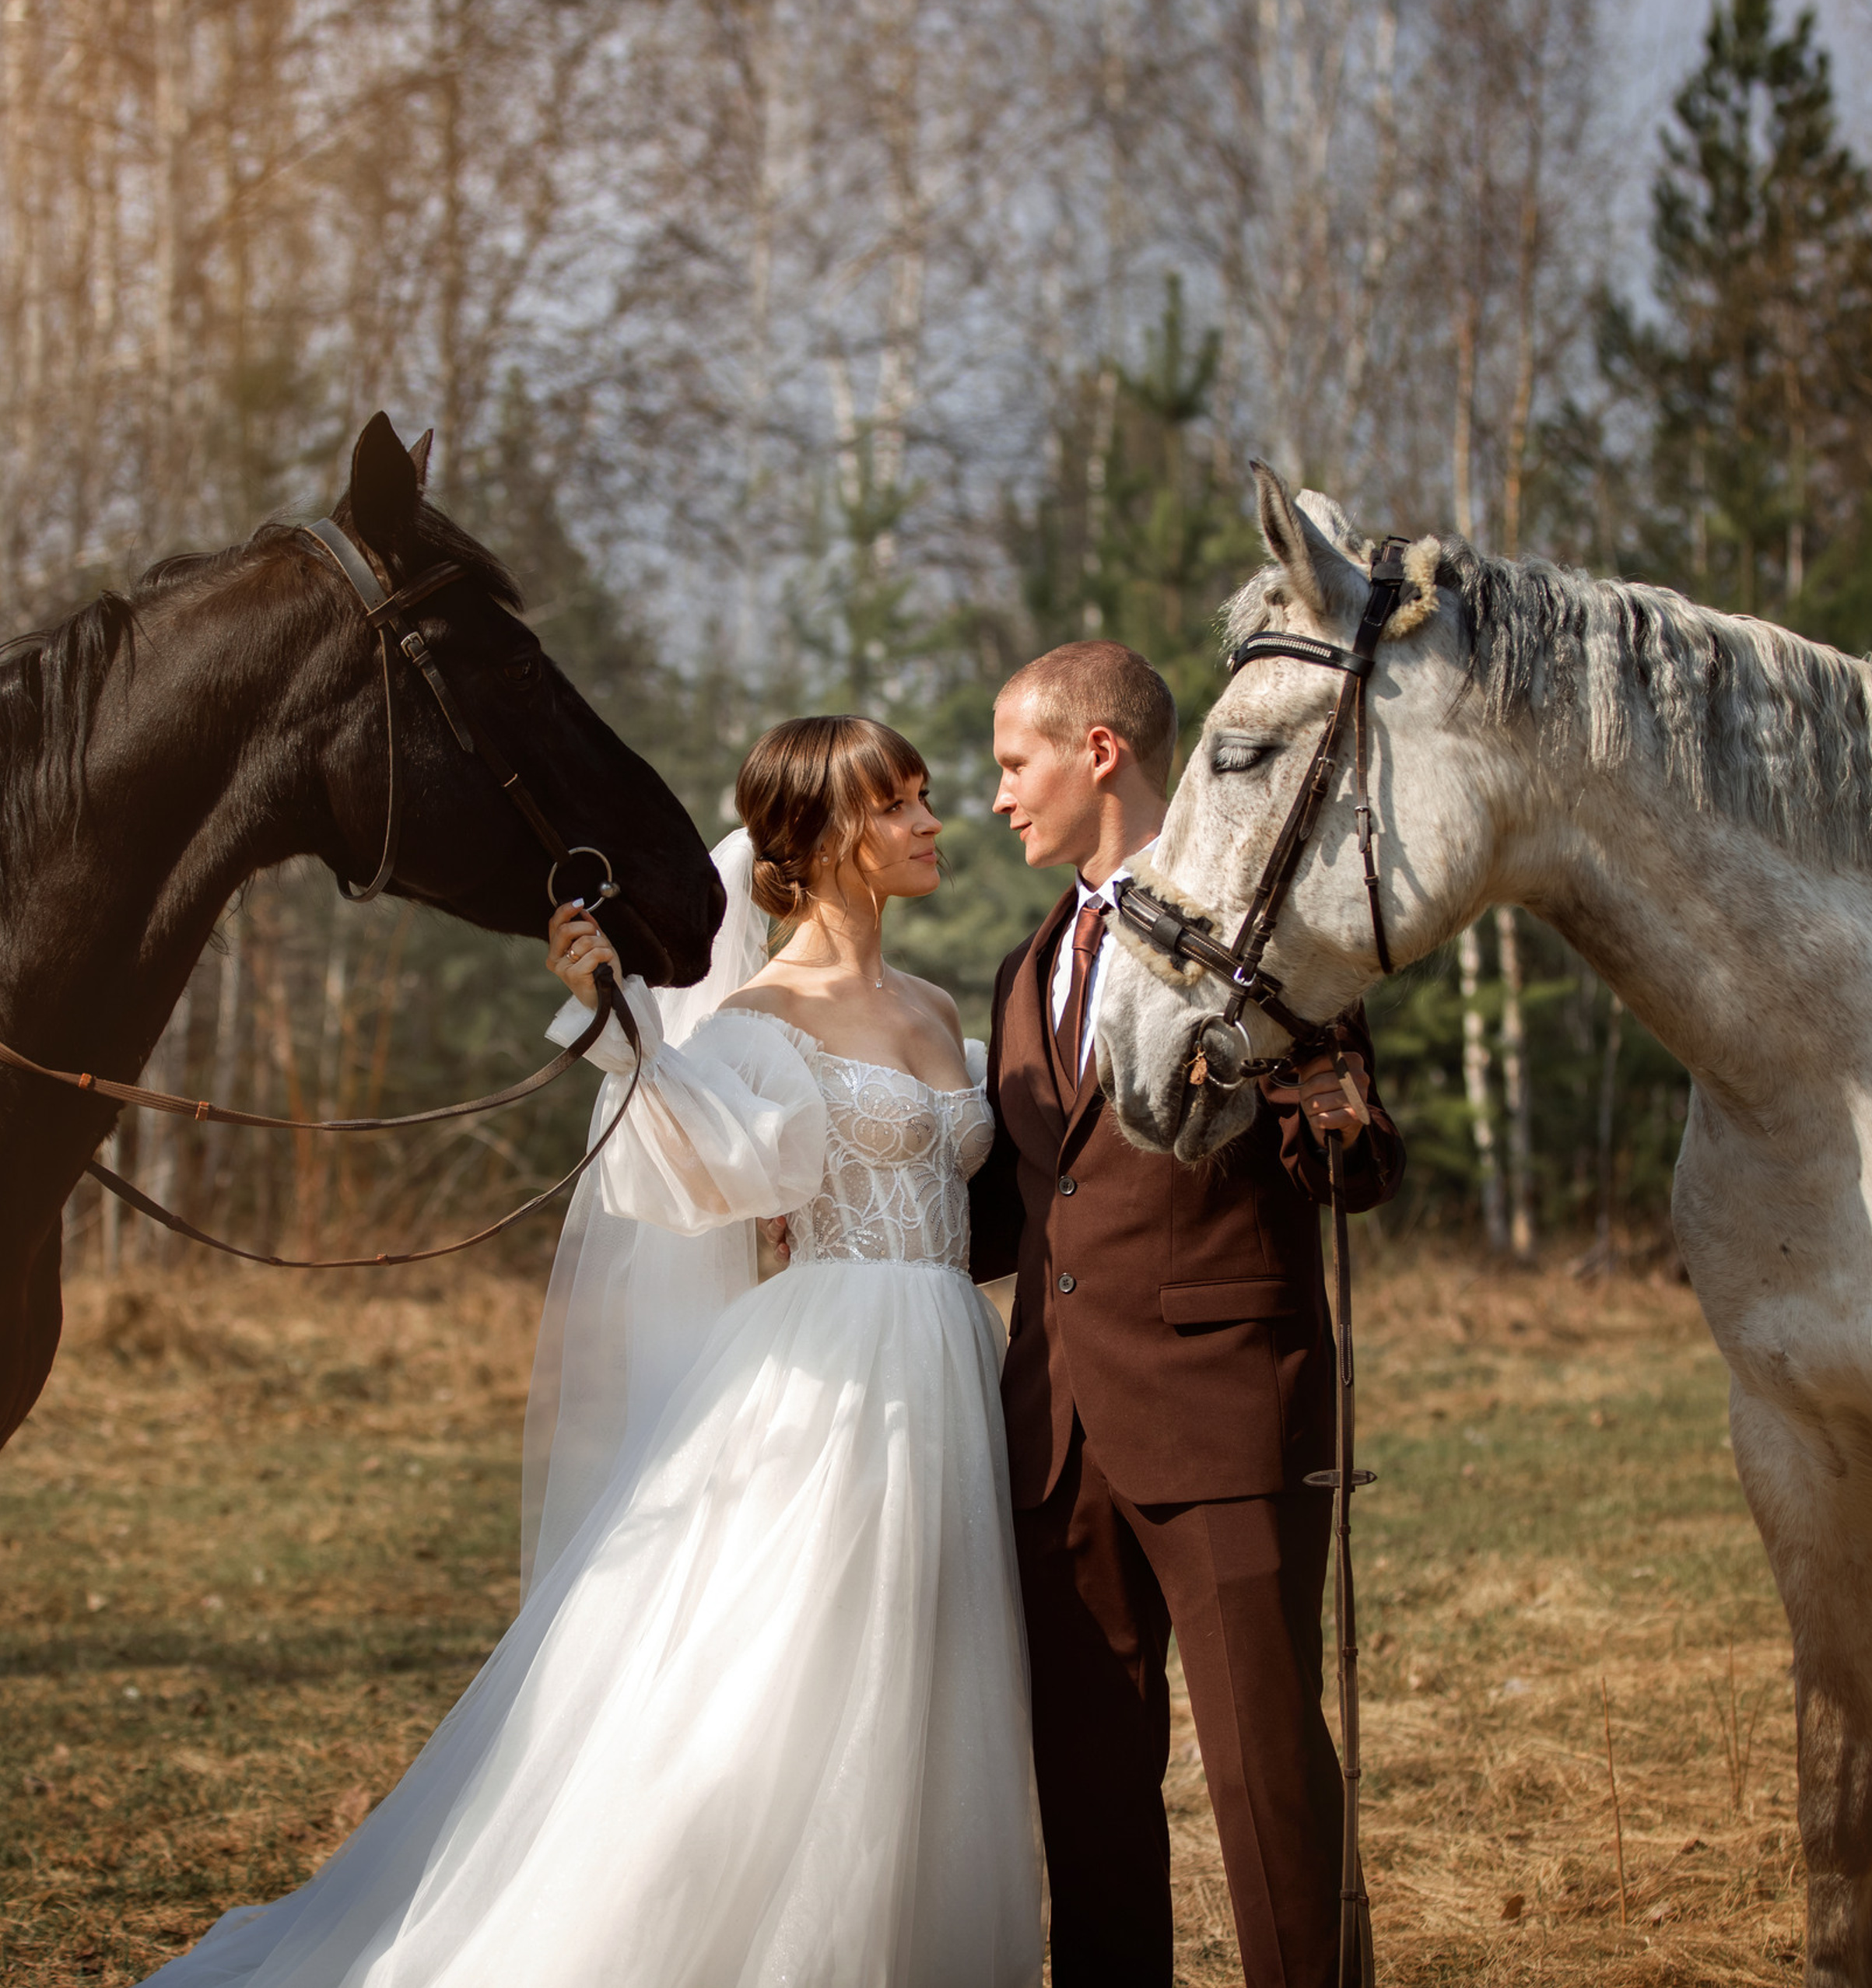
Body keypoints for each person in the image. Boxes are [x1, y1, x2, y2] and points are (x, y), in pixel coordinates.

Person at [145, 716, 1042, 1988]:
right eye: (899, 803)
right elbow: (697, 1175)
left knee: (926, 1685)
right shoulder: (764, 1015)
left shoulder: (941, 1007)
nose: (929, 822)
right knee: (779, 1694)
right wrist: (622, 1034)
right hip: (831, 1380)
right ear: (832, 838)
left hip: (950, 1353)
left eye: (924, 796)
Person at [971, 640, 1404, 1986]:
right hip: (1054, 1438)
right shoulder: (1020, 968)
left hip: (1225, 1414)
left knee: (1267, 1779)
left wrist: (1344, 1127)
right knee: (1090, 1792)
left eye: (1012, 763)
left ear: (1098, 751)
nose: (997, 798)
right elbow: (1024, 1212)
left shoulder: (1256, 925)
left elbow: (1348, 1159)